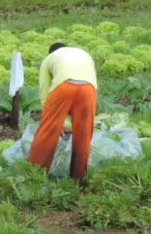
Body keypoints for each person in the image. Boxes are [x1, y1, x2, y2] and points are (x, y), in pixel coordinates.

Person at [27, 42, 98, 183]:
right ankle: (78, 178)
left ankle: (34, 176)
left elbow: (44, 94)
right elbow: (92, 82)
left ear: (51, 52)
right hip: (89, 89)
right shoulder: (84, 54)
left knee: (47, 132)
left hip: (64, 86)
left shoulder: (49, 59)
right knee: (83, 135)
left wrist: (58, 123)